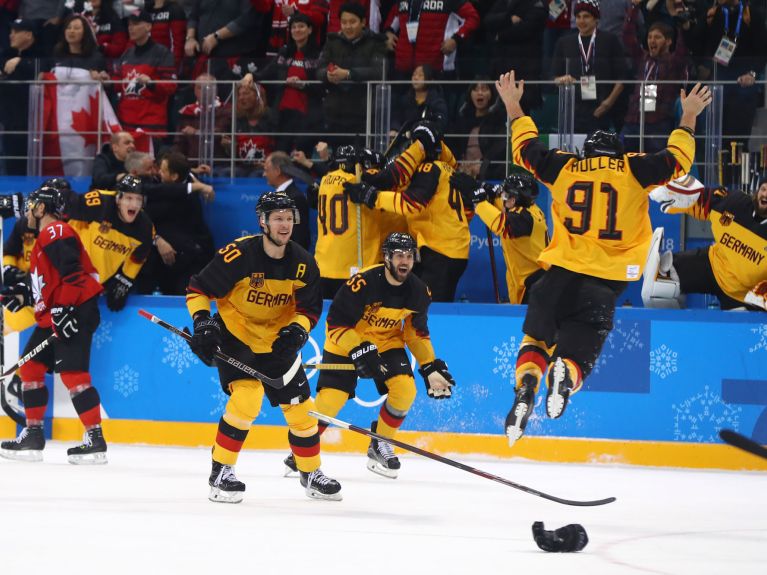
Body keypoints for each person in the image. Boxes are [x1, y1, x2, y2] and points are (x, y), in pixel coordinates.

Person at [495, 70, 711, 445]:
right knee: (577, 356)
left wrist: (513, 104)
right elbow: (678, 160)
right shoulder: (633, 168)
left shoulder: (564, 165)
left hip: (556, 278)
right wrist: (688, 115)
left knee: (535, 340)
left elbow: (524, 150)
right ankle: (564, 375)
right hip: (604, 285)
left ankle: (525, 389)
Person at [186, 191, 342, 503]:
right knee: (247, 400)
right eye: (278, 218)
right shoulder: (238, 255)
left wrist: (297, 331)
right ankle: (221, 472)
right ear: (263, 222)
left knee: (302, 412)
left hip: (277, 344)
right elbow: (198, 288)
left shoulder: (304, 263)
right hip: (237, 336)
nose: (285, 224)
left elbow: (310, 309)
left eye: (289, 218)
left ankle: (310, 472)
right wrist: (203, 322)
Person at [283, 232, 455, 479]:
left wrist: (430, 366)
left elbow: (416, 333)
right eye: (398, 256)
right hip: (345, 342)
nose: (404, 262)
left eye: (408, 256)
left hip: (386, 343)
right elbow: (336, 324)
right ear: (386, 258)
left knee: (405, 389)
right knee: (331, 400)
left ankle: (380, 443)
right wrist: (360, 348)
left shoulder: (419, 291)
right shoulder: (362, 283)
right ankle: (302, 450)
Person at [0, 185, 106, 464]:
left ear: (42, 208)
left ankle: (95, 440)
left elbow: (73, 274)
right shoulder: (43, 239)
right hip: (58, 312)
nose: (28, 211)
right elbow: (50, 282)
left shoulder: (54, 231)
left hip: (74, 309)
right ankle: (33, 434)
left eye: (33, 204)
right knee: (31, 366)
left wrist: (64, 308)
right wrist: (22, 293)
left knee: (73, 374)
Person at [345, 124, 470, 302]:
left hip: (440, 252)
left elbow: (412, 203)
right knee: (428, 304)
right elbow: (468, 209)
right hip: (451, 250)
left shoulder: (428, 169)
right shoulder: (447, 168)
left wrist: (373, 196)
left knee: (428, 310)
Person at [643, 175, 767, 311]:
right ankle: (668, 331)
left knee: (744, 328)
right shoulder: (736, 202)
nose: (765, 194)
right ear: (757, 191)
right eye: (763, 189)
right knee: (659, 281)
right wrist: (686, 193)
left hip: (743, 295)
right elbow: (704, 200)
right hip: (713, 266)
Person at [450, 170, 548, 304]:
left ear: (514, 199)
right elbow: (504, 206)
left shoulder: (524, 219)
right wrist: (482, 187)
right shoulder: (528, 209)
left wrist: (479, 201)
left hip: (535, 284)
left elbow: (500, 224)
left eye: (505, 195)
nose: (502, 197)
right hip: (532, 280)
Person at [69, 174, 154, 312]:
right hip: (72, 271)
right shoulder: (99, 202)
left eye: (139, 199)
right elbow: (68, 205)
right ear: (118, 198)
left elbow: (138, 258)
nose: (134, 204)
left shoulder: (145, 227)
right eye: (129, 198)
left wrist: (124, 281)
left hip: (99, 280)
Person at [313, 145, 384, 299]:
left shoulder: (325, 180)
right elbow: (386, 178)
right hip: (352, 266)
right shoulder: (357, 181)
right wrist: (377, 159)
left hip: (323, 264)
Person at [621, 2, 692, 153]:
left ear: (668, 41)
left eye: (657, 37)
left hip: (658, 122)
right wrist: (634, 8)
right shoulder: (642, 58)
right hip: (634, 120)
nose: (652, 40)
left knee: (657, 168)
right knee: (622, 160)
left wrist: (679, 21)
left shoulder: (674, 62)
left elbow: (683, 46)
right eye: (650, 37)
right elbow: (627, 37)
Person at [550, 0, 628, 133]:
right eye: (578, 17)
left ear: (596, 19)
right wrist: (562, 80)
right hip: (574, 110)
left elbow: (622, 76)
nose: (581, 21)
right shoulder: (564, 42)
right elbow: (554, 77)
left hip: (604, 108)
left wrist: (608, 102)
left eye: (586, 16)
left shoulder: (610, 40)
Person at [315, 3, 387, 145]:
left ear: (363, 22)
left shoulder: (376, 42)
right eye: (344, 22)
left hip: (364, 113)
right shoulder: (332, 41)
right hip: (336, 113)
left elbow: (379, 71)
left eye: (352, 22)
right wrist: (327, 75)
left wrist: (349, 74)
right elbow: (319, 69)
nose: (348, 27)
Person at [113, 10, 177, 143]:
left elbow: (171, 86)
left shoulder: (162, 53)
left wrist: (151, 83)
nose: (131, 28)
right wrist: (105, 80)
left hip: (151, 126)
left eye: (135, 24)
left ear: (148, 26)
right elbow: (117, 84)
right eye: (129, 25)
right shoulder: (127, 53)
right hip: (125, 125)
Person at [0, 18, 42, 176]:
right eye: (11, 32)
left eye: (16, 32)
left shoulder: (40, 53)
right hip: (7, 120)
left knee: (22, 166)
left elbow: (44, 67)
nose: (11, 35)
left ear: (28, 35)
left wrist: (21, 61)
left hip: (29, 122)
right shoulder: (6, 53)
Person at [264, 151, 311, 250]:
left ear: (277, 171)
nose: (264, 174)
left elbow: (300, 238)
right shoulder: (279, 196)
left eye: (266, 170)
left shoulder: (295, 198)